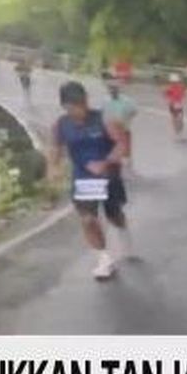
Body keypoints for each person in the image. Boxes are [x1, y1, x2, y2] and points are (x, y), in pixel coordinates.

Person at [48, 81, 133, 280]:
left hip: (108, 175)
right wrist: (53, 167)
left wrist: (107, 162)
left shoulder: (104, 119)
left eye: (83, 103)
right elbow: (55, 148)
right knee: (87, 219)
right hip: (84, 178)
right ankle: (104, 260)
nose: (81, 109)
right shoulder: (61, 125)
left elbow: (122, 144)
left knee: (114, 216)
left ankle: (123, 231)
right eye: (75, 106)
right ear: (65, 106)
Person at [102, 75, 139, 174]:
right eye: (110, 88)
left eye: (114, 88)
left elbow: (134, 111)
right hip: (110, 131)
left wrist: (126, 120)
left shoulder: (127, 101)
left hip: (124, 130)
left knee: (126, 152)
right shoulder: (105, 101)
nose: (112, 90)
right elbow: (103, 115)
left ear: (118, 89)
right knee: (112, 152)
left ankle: (128, 171)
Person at [163, 73, 187, 139]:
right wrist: (168, 100)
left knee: (180, 117)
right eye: (173, 82)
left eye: (176, 82)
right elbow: (166, 95)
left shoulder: (181, 87)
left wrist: (183, 99)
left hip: (179, 104)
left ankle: (180, 126)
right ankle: (176, 128)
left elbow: (183, 94)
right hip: (172, 104)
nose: (174, 83)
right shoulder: (169, 88)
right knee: (174, 117)